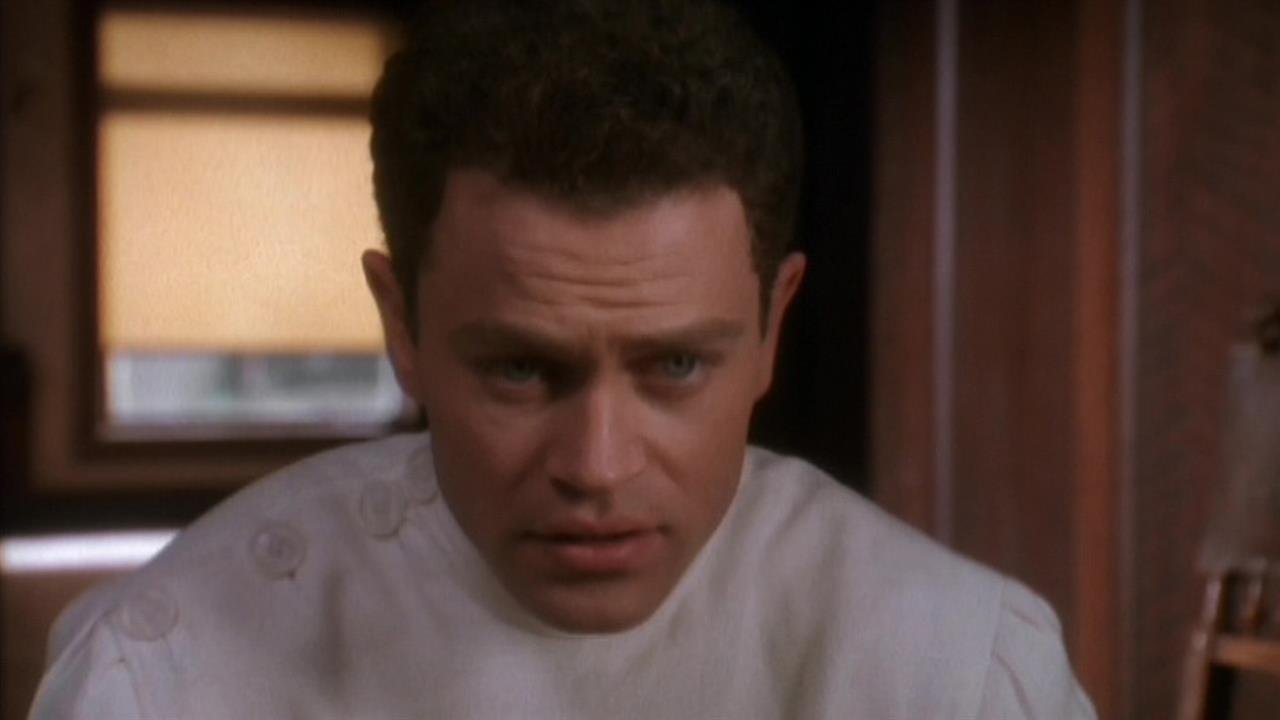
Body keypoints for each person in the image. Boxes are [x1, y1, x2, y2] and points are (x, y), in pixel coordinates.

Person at [30, 0, 1096, 717]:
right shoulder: (164, 678)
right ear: (401, 326)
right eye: (521, 371)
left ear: (773, 325)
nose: (596, 467)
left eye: (675, 367)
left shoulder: (959, 670)